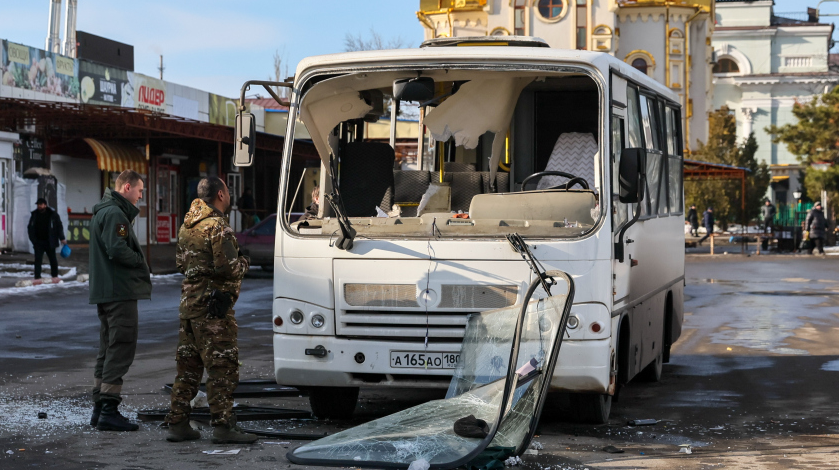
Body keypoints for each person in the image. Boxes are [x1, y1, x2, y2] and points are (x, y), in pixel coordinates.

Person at [164, 177, 256, 444]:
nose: (229, 196)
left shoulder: (187, 225)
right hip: (214, 310)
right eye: (228, 191)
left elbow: (182, 265)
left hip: (189, 307)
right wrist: (244, 262)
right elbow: (227, 267)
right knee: (222, 369)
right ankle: (224, 426)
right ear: (220, 194)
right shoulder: (218, 227)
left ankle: (178, 422)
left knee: (188, 369)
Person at [88, 170, 151, 432]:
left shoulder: (104, 210)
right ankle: (109, 410)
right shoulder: (115, 213)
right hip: (119, 292)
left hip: (107, 291)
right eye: (139, 190)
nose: (140, 196)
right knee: (120, 348)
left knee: (108, 348)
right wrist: (140, 262)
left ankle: (100, 409)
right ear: (127, 187)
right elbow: (117, 248)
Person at [27, 197, 66, 281]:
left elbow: (59, 226)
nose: (39, 206)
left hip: (50, 241)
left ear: (45, 205)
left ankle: (54, 276)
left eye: (41, 204)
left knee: (52, 259)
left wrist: (62, 238)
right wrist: (33, 240)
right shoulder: (35, 214)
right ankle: (37, 277)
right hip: (38, 241)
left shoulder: (52, 214)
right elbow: (30, 227)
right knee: (38, 260)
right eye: (38, 205)